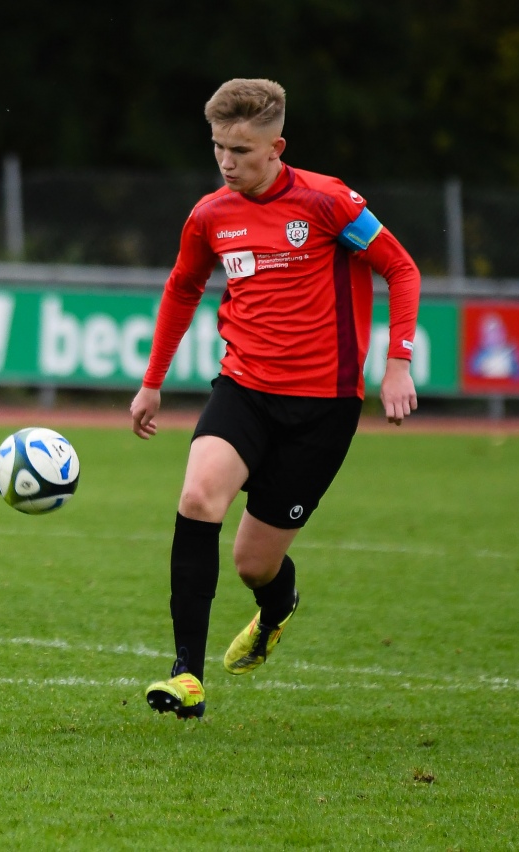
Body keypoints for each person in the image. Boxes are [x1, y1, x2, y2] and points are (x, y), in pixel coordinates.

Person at [130, 79, 420, 719]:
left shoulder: (329, 202)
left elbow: (401, 269)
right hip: (244, 390)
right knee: (197, 498)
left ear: (276, 147)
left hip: (323, 407)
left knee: (253, 565)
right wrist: (153, 381)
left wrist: (398, 363)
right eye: (217, 147)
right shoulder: (210, 214)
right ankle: (186, 674)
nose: (226, 162)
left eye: (240, 150)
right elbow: (182, 289)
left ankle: (276, 606)